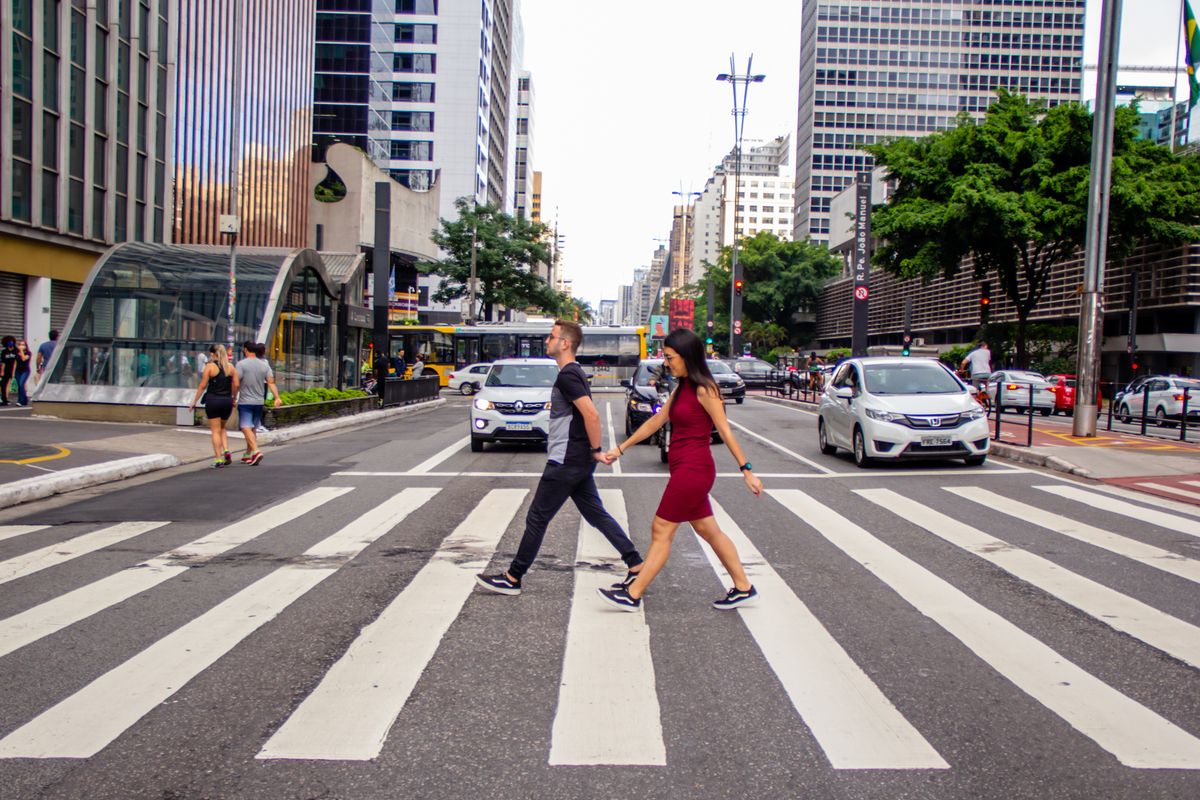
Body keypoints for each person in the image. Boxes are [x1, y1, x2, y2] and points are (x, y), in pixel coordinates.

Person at [476, 319, 644, 596]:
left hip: (566, 461)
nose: (547, 341)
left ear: (564, 343)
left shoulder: (568, 376)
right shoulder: (574, 373)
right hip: (577, 461)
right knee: (596, 514)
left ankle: (513, 577)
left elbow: (591, 414)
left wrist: (595, 450)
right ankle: (635, 563)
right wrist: (590, 454)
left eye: (552, 336)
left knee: (537, 518)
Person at [598, 327, 762, 612]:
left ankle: (633, 594)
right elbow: (656, 421)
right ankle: (744, 587)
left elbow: (725, 430)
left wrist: (746, 469)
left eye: (670, 357)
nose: (665, 362)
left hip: (694, 470)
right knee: (709, 531)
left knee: (661, 529)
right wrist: (621, 448)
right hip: (684, 469)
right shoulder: (682, 386)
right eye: (665, 357)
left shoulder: (705, 389)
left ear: (687, 356)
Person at [187, 344, 240, 468]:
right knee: (222, 428)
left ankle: (218, 459)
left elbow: (203, 385)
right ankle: (226, 450)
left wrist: (195, 401)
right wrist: (234, 397)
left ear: (212, 354)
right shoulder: (231, 367)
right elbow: (236, 384)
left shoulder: (210, 367)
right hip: (227, 401)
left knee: (215, 431)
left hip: (213, 401)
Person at [235, 340, 281, 466]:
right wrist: (277, 397)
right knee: (253, 428)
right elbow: (271, 383)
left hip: (245, 401)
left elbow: (236, 383)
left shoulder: (241, 364)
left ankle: (255, 451)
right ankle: (247, 455)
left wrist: (233, 397)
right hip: (259, 401)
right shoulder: (264, 365)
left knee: (245, 427)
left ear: (245, 350)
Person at [13, 340, 31, 405]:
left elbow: (24, 359)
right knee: (20, 386)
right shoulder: (17, 353)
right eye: (20, 344)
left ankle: (19, 401)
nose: (21, 346)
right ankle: (25, 399)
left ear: (26, 346)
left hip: (25, 371)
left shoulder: (28, 353)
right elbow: (15, 363)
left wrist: (21, 351)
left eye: (23, 345)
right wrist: (13, 372)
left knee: (21, 384)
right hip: (18, 371)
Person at [0, 336, 17, 406]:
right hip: (6, 370)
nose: (10, 343)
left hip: (14, 369)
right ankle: (4, 399)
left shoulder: (16, 350)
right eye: (8, 342)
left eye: (11, 342)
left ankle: (23, 398)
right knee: (3, 384)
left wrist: (13, 372)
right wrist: (2, 371)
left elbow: (16, 362)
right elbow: (3, 362)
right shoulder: (4, 352)